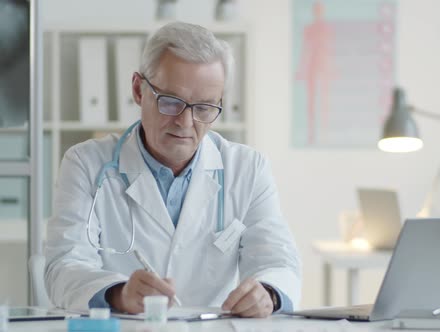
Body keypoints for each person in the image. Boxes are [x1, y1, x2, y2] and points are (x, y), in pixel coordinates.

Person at [44, 22, 301, 318]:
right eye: (171, 102)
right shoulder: (86, 164)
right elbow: (63, 267)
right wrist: (119, 293)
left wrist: (267, 293)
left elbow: (280, 262)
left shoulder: (248, 169)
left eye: (204, 107)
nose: (186, 121)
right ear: (139, 90)